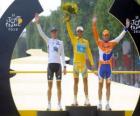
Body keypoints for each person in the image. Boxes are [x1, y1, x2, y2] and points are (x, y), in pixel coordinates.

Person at [92, 16, 130, 111]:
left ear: (108, 36)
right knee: (100, 86)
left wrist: (126, 28)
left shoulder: (112, 43)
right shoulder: (99, 42)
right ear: (103, 35)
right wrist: (94, 24)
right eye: (104, 35)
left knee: (108, 86)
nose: (106, 36)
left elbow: (120, 37)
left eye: (107, 35)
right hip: (101, 67)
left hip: (108, 67)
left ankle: (107, 104)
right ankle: (100, 104)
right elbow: (95, 34)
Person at [34, 14, 67, 111]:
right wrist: (38, 23)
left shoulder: (60, 42)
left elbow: (63, 55)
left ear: (57, 33)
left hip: (58, 66)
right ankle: (49, 104)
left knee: (59, 86)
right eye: (52, 32)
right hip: (50, 65)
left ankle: (59, 104)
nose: (53, 33)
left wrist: (64, 66)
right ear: (51, 33)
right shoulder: (48, 40)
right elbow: (41, 33)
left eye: (55, 32)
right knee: (49, 86)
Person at [65, 16, 94, 106]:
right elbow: (69, 31)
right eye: (78, 31)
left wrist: (92, 63)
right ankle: (75, 100)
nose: (79, 32)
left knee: (85, 82)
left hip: (83, 65)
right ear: (77, 32)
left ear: (83, 32)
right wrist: (67, 22)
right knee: (75, 82)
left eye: (81, 31)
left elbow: (88, 52)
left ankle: (87, 99)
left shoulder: (86, 42)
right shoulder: (74, 39)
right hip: (76, 65)